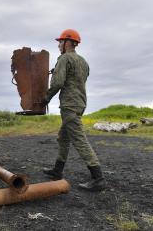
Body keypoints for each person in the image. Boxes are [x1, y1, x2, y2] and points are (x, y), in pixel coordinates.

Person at [41, 29, 105, 191]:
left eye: (61, 42)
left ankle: (98, 178)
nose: (59, 45)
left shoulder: (64, 59)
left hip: (69, 105)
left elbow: (57, 83)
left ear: (69, 43)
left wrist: (46, 98)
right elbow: (78, 80)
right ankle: (57, 170)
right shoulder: (83, 61)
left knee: (79, 139)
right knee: (63, 137)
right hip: (80, 103)